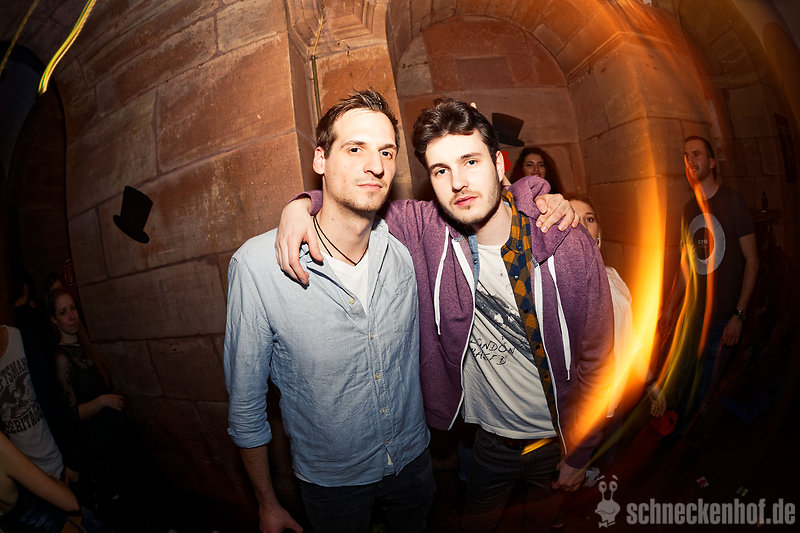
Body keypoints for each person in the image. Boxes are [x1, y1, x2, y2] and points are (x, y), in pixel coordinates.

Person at [277, 98, 613, 533]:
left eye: (470, 161)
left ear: (499, 164)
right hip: (488, 441)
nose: (458, 182)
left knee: (545, 522)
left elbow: (598, 359)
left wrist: (581, 452)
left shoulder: (564, 241)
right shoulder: (425, 229)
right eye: (440, 170)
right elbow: (351, 201)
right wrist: (300, 205)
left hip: (559, 438)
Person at [225, 90, 437, 533]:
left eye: (386, 152)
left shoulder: (405, 247)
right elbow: (246, 405)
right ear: (320, 159)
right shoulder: (258, 266)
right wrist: (266, 502)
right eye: (355, 149)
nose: (375, 166)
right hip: (332, 484)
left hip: (414, 461)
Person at [659, 136, 758, 432]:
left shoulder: (732, 201)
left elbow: (752, 261)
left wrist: (738, 316)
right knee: (683, 379)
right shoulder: (689, 209)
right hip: (693, 316)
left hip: (724, 318)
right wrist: (669, 308)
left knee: (707, 388)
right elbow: (685, 266)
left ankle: (698, 440)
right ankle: (679, 433)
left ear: (712, 162)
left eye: (697, 154)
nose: (691, 160)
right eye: (686, 155)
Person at [0, 324, 79, 483]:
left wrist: (71, 458)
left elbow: (53, 401)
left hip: (57, 461)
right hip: (26, 476)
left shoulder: (21, 339)